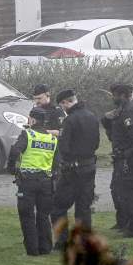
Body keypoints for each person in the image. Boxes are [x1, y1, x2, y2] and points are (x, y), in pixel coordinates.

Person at [51, 89, 100, 249]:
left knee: (58, 206)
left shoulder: (70, 120)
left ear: (66, 102)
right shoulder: (92, 117)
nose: (63, 108)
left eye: (62, 104)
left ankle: (62, 242)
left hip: (72, 170)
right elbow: (97, 143)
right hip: (89, 166)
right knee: (83, 207)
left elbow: (64, 147)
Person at [7, 106, 57, 256]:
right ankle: (46, 248)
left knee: (27, 215)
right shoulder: (52, 139)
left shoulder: (27, 134)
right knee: (43, 215)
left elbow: (15, 150)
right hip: (46, 182)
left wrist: (12, 168)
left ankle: (32, 250)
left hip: (28, 181)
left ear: (33, 120)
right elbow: (56, 162)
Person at [101, 83, 133, 237]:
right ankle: (123, 221)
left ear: (123, 96)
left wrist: (127, 154)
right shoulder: (121, 110)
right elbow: (114, 132)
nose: (112, 98)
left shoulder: (128, 112)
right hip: (121, 159)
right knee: (117, 190)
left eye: (115, 95)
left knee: (130, 194)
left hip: (129, 161)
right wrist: (105, 120)